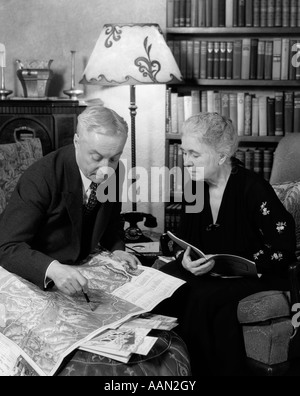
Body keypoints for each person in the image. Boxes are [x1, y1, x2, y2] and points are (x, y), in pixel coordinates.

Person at [157, 112, 297, 376]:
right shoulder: (194, 187)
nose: (186, 162)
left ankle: (202, 372)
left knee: (203, 298)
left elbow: (284, 248)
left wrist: (249, 264)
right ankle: (164, 370)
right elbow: (185, 241)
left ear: (221, 156)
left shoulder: (253, 188)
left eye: (194, 155)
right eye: (184, 153)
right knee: (162, 283)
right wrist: (184, 258)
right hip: (210, 271)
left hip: (256, 274)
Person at [0, 105, 140, 295]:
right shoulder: (41, 177)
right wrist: (52, 269)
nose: (105, 169)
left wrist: (117, 249)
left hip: (80, 265)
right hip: (37, 271)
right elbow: (7, 247)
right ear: (77, 141)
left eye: (114, 158)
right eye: (96, 157)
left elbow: (111, 222)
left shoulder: (115, 171)